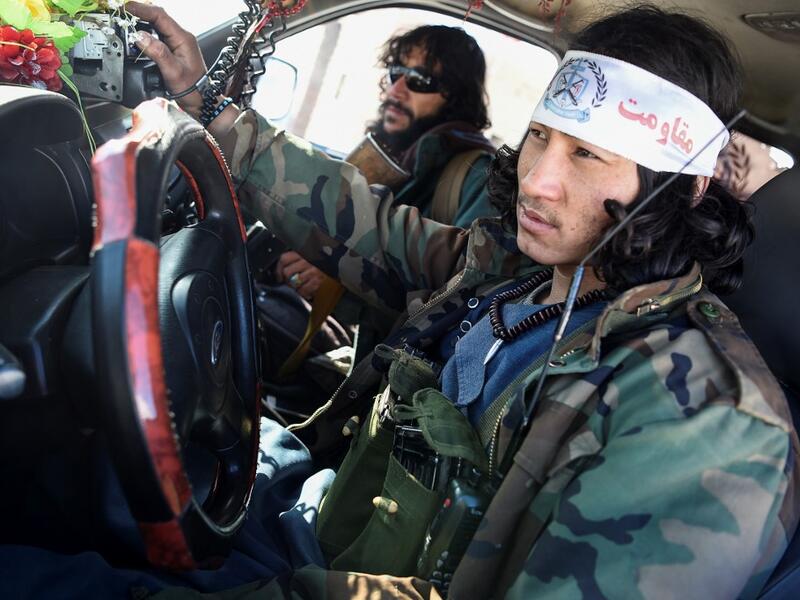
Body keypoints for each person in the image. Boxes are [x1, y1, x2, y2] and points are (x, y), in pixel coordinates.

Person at [2, 4, 796, 599]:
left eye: (588, 156)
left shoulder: (705, 428)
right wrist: (208, 105)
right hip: (319, 518)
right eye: (545, 137)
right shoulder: (515, 270)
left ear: (684, 188)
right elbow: (370, 230)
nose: (540, 179)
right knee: (69, 472)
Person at [270, 23, 496, 300]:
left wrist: (338, 274)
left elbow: (461, 296)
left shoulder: (478, 175)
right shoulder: (392, 155)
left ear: (456, 97)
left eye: (420, 80)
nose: (396, 91)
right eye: (396, 73)